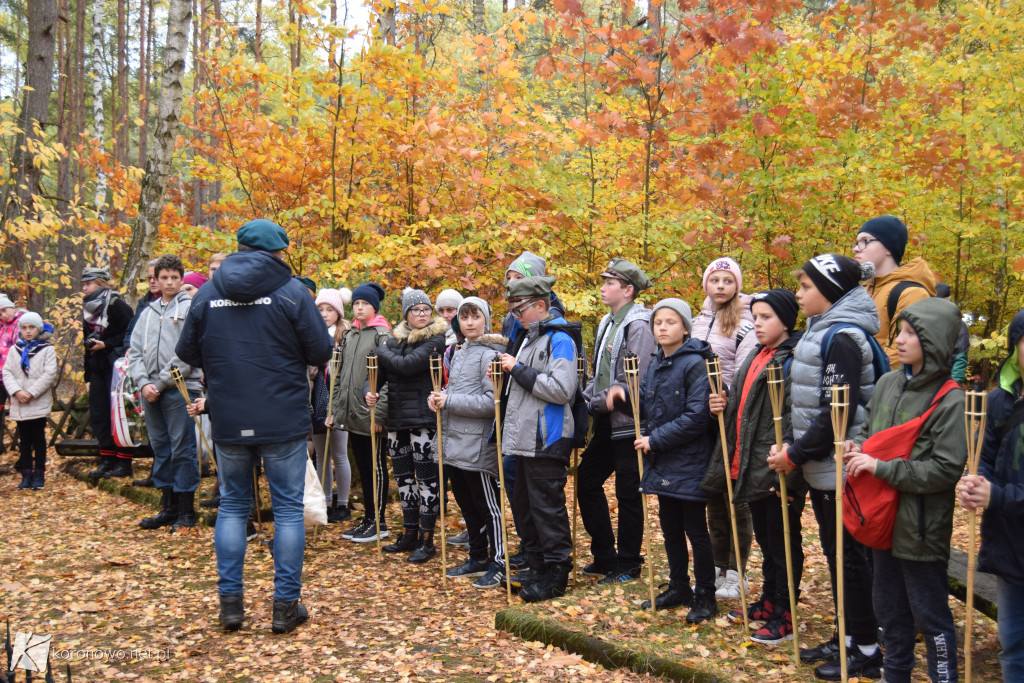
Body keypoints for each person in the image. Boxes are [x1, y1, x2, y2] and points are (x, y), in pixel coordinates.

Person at [177, 219, 333, 634]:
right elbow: (321, 349)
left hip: (228, 414)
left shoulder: (208, 293)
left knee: (231, 505)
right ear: (279, 252)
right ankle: (284, 607)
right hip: (281, 415)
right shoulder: (291, 292)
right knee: (286, 510)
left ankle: (231, 607)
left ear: (241, 247)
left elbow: (187, 351)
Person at [767, 254, 882, 681]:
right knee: (839, 558)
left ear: (830, 291)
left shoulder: (842, 338)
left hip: (840, 468)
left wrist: (794, 455)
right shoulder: (823, 332)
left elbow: (837, 410)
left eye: (806, 287)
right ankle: (847, 636)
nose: (799, 294)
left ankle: (867, 649)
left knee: (850, 560)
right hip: (824, 468)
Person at [843, 298, 965, 683]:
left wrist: (881, 467)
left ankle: (943, 677)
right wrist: (858, 447)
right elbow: (870, 433)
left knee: (929, 614)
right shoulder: (887, 382)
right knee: (889, 610)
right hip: (881, 520)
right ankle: (894, 676)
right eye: (899, 331)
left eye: (912, 333)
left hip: (921, 527)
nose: (899, 340)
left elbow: (945, 470)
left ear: (935, 341)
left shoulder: (951, 399)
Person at [704, 289, 806, 644]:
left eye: (766, 318)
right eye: (756, 317)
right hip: (751, 460)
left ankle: (786, 612)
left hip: (776, 464)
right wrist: (725, 400)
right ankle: (769, 600)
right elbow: (745, 403)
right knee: (766, 537)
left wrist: (790, 465)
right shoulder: (760, 354)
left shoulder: (793, 358)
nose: (757, 324)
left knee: (782, 541)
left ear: (787, 320)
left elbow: (795, 414)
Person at [608, 298, 717, 621]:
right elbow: (648, 406)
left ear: (685, 327)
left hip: (691, 458)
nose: (663, 327)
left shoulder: (696, 363)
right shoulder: (656, 362)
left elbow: (697, 416)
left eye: (670, 322)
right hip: (664, 460)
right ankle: (678, 586)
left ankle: (706, 595)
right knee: (669, 527)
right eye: (658, 323)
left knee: (695, 530)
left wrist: (655, 439)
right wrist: (625, 400)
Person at [499, 274, 579, 602]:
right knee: (525, 506)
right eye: (514, 310)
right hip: (523, 438)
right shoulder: (530, 336)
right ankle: (537, 566)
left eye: (521, 309)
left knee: (547, 507)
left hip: (548, 437)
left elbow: (561, 390)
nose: (516, 316)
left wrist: (517, 369)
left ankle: (557, 572)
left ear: (541, 305)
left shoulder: (560, 338)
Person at [578, 258, 656, 584]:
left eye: (609, 282)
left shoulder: (638, 325)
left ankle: (628, 562)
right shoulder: (607, 322)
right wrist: (589, 393)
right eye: (603, 281)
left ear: (627, 290)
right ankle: (605, 555)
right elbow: (600, 373)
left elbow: (636, 378)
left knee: (628, 491)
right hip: (606, 419)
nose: (603, 287)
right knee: (586, 479)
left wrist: (608, 396)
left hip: (631, 421)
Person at [958, 307, 1024, 682]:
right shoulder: (1001, 401)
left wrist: (997, 497)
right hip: (1010, 545)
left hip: (1008, 519)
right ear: (1016, 346)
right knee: (1013, 640)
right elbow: (986, 455)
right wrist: (976, 484)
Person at [429, 296, 508, 587]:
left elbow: (492, 403)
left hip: (477, 446)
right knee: (468, 505)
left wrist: (449, 400)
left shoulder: (491, 355)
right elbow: (452, 392)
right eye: (465, 318)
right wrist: (437, 399)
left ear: (486, 319)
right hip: (454, 444)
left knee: (489, 507)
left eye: (475, 316)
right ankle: (478, 556)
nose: (470, 322)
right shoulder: (459, 352)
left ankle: (500, 562)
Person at [691, 256, 758, 600]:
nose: (720, 286)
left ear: (737, 286)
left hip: (729, 416)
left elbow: (744, 368)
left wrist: (726, 399)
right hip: (699, 416)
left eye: (727, 281)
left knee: (734, 494)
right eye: (715, 280)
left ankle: (737, 571)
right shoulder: (697, 320)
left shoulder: (746, 323)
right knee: (712, 494)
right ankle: (718, 568)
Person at [368, 288, 447, 562]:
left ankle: (428, 539)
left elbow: (408, 365)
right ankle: (410, 533)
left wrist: (383, 349)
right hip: (396, 420)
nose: (422, 313)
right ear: (406, 314)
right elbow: (383, 374)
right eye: (416, 310)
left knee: (427, 481)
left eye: (426, 309)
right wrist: (372, 390)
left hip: (423, 422)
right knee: (404, 481)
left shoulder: (436, 340)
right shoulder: (396, 342)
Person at [128, 255, 203, 532]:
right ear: (155, 280)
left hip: (179, 388)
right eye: (164, 278)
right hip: (150, 391)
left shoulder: (190, 308)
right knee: (161, 447)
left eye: (174, 277)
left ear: (181, 279)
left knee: (182, 448)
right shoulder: (148, 312)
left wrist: (159, 383)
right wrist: (143, 382)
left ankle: (186, 510)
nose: (169, 282)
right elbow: (135, 351)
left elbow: (188, 351)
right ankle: (168, 507)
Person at [328, 282, 393, 544]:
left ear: (374, 307)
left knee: (375, 467)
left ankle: (379, 520)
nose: (359, 307)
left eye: (364, 303)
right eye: (356, 303)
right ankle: (368, 517)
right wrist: (334, 411)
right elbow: (340, 376)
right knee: (364, 467)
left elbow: (388, 377)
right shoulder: (351, 335)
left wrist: (380, 414)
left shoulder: (381, 335)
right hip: (352, 413)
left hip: (371, 412)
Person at [852, 215, 937, 368]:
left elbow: (900, 355)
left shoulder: (912, 293)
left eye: (865, 241)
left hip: (883, 387)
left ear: (888, 248)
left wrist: (858, 374)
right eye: (856, 243)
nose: (856, 248)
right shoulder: (862, 289)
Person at [81, 267, 135, 479]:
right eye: (83, 284)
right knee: (100, 415)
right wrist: (87, 376)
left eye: (89, 283)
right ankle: (107, 460)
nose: (85, 288)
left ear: (102, 284)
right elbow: (86, 344)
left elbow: (129, 335)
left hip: (118, 368)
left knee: (119, 415)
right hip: (97, 368)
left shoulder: (117, 305)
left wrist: (106, 344)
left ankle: (124, 462)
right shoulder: (87, 308)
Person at [313, 287, 353, 523]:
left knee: (339, 453)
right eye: (321, 309)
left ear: (338, 312)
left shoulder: (345, 335)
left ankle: (344, 502)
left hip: (339, 399)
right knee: (321, 454)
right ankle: (325, 500)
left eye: (330, 310)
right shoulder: (312, 333)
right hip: (318, 399)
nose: (325, 314)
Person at [4, 312, 57, 490]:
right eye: (24, 328)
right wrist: (17, 391)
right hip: (19, 402)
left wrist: (31, 393)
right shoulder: (15, 349)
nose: (28, 331)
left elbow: (49, 373)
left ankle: (39, 474)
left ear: (38, 329)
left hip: (37, 400)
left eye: (31, 327)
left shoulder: (47, 349)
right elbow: (7, 372)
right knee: (24, 440)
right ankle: (26, 474)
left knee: (39, 439)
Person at [934, 282, 970, 383]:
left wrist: (954, 385)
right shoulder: (924, 321)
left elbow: (960, 357)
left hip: (946, 382)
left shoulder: (958, 324)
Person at [0, 294, 25, 433]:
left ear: (11, 307)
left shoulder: (22, 323)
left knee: (20, 413)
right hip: (0, 377)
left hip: (14, 377)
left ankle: (26, 446)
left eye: (4, 311)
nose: (2, 316)